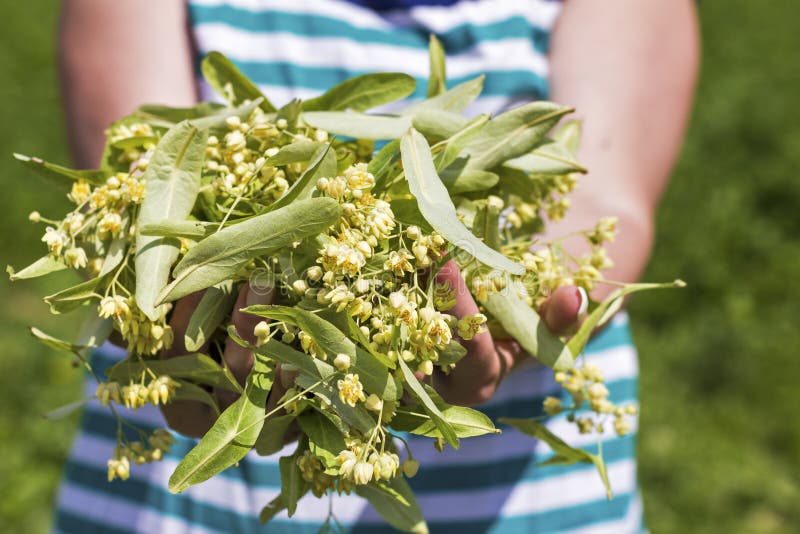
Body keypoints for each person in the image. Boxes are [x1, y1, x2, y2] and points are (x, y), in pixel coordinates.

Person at [54, 0, 698, 532]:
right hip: (174, 491)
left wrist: (534, 304)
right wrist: (182, 318)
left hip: (524, 498)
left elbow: (598, 196)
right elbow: (149, 176)